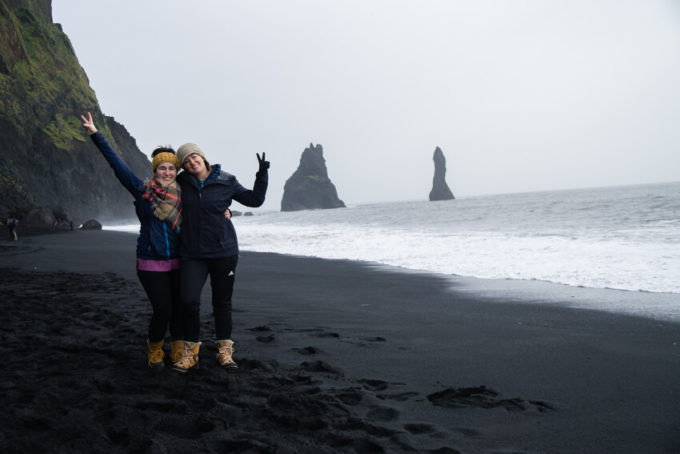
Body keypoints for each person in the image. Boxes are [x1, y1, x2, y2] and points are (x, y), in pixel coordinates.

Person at [81, 112, 186, 369]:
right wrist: (96, 134)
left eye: (172, 168)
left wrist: (225, 211)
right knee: (162, 310)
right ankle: (154, 351)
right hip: (150, 262)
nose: (167, 171)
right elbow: (117, 165)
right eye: (162, 167)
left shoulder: (185, 196)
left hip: (180, 261)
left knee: (180, 311)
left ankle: (180, 350)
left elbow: (211, 199)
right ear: (155, 170)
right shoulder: (142, 191)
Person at [171, 142, 269, 373]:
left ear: (203, 157)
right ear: (183, 166)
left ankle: (225, 351)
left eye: (194, 157)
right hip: (193, 253)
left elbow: (255, 200)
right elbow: (160, 191)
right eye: (186, 161)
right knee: (189, 301)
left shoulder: (226, 180)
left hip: (223, 252)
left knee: (222, 303)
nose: (192, 162)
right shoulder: (180, 183)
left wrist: (262, 174)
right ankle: (191, 352)